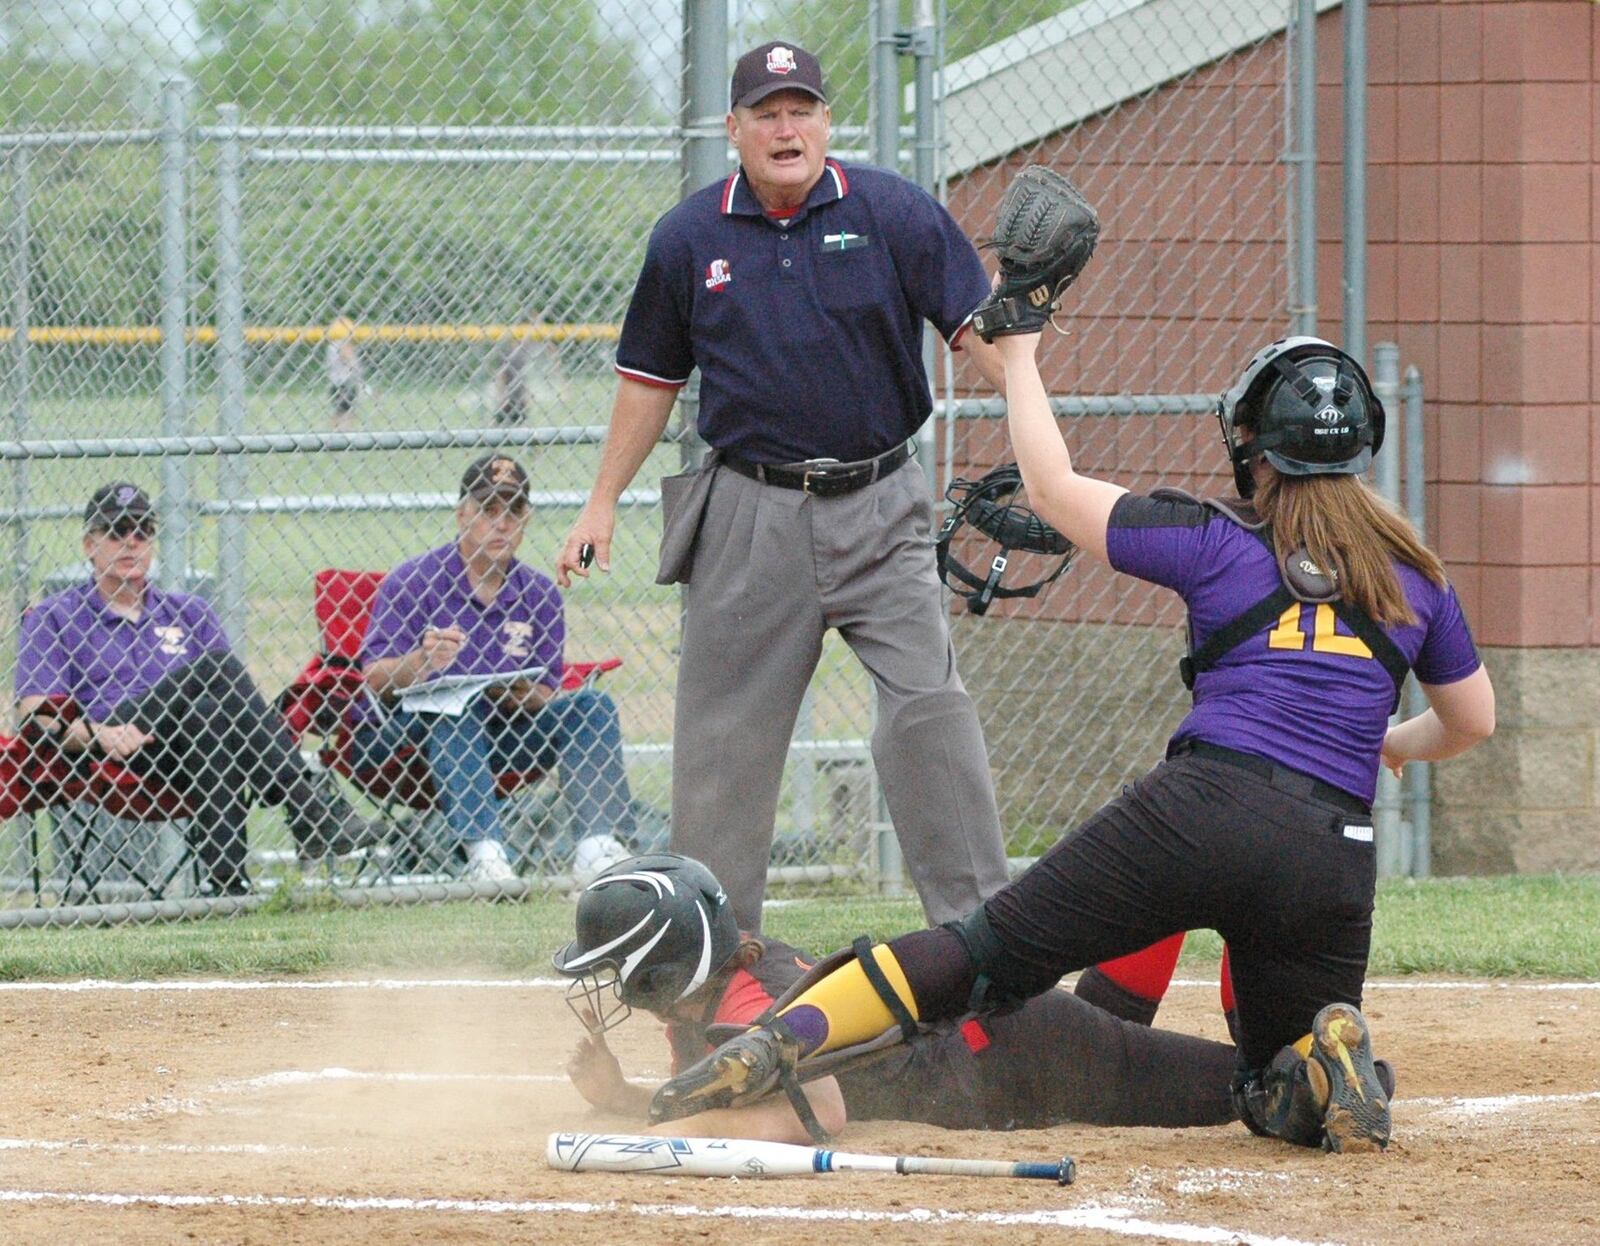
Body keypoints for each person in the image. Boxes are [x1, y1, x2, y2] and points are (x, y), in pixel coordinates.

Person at [651, 332, 1495, 1154]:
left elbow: (1052, 489)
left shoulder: (1216, 537)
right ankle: (1325, 1060)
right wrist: (1392, 743)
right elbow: (1474, 721)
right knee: (1268, 1076)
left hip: (1203, 808)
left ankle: (777, 1037)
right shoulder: (1415, 577)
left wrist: (1017, 359)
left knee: (979, 953)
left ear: (1255, 451)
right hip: (1331, 847)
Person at [555, 40, 1013, 932]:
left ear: (827, 124)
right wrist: (602, 499)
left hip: (883, 504)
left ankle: (986, 950)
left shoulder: (893, 213)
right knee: (725, 749)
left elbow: (978, 337)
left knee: (931, 713)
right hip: (749, 513)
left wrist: (1026, 344)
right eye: (765, 112)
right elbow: (649, 382)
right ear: (734, 131)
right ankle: (712, 967)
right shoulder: (690, 237)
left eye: (800, 108)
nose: (785, 126)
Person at [553, 853, 1241, 1143]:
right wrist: (626, 1100)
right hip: (1017, 1048)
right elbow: (717, 1088)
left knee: (1249, 1091)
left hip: (1029, 1058)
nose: (609, 986)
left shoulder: (746, 1008)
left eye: (617, 968)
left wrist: (666, 1132)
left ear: (660, 974)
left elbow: (818, 1110)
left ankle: (1233, 906)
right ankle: (1187, 889)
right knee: (1126, 1039)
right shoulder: (713, 998)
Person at [15, 483, 380, 896]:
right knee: (215, 667)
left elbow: (230, 707)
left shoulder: (189, 611)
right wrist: (100, 734)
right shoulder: (54, 617)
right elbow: (35, 715)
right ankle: (309, 806)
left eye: (141, 531)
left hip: (183, 749)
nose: (130, 543)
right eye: (116, 532)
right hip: (112, 744)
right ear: (89, 544)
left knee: (209, 711)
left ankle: (229, 886)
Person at [354, 454, 636, 885]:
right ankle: (486, 855)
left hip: (506, 731)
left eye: (514, 510)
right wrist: (421, 663)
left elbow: (546, 689)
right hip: (412, 738)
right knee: (454, 708)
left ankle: (596, 850)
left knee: (592, 706)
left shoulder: (540, 593)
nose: (502, 523)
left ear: (527, 518)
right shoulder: (412, 580)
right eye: (488, 510)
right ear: (461, 513)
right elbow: (374, 680)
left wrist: (525, 695)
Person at [327, 316, 362, 432]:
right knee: (346, 411)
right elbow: (350, 361)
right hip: (345, 382)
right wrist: (356, 368)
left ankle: (336, 431)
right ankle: (344, 432)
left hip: (334, 382)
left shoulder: (332, 345)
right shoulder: (344, 344)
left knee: (339, 411)